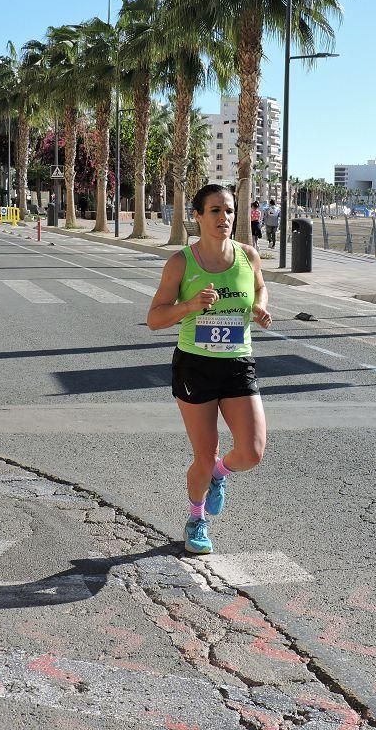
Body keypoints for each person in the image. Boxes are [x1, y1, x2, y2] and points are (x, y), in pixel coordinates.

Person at [147, 184, 272, 555]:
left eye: (230, 211)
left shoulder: (248, 256)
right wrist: (188, 306)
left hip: (237, 362)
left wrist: (262, 307)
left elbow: (261, 289)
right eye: (215, 211)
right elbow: (154, 319)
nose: (224, 218)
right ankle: (196, 518)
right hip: (195, 366)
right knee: (204, 454)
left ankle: (220, 475)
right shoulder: (181, 263)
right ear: (198, 216)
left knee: (251, 451)